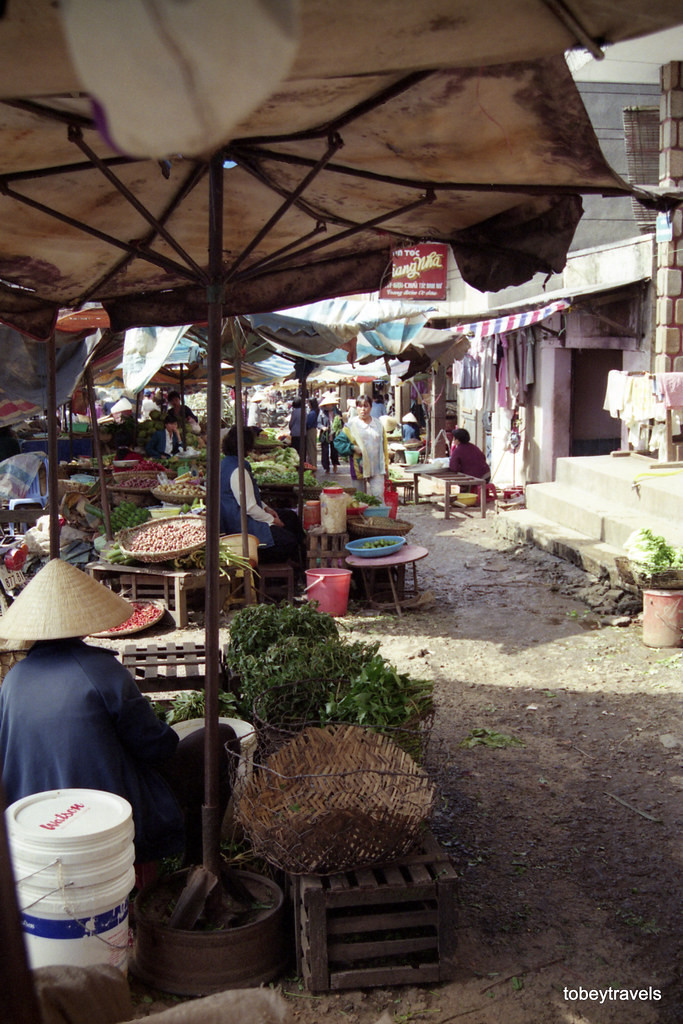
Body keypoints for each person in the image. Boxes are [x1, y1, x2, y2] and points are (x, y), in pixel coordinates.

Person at [0, 558, 237, 867]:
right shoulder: (101, 671)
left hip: (31, 817)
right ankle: (196, 862)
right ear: (83, 619)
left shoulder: (14, 678)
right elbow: (156, 747)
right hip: (100, 814)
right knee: (220, 737)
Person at [220, 426, 303, 564]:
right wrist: (271, 520)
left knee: (291, 517)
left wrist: (267, 509)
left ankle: (297, 560)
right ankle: (275, 571)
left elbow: (249, 497)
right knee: (289, 541)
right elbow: (250, 507)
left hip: (240, 516)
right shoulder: (237, 471)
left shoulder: (226, 463)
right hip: (240, 525)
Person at [334, 394, 389, 499]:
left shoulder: (378, 425)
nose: (363, 409)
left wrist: (386, 466)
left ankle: (378, 515)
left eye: (366, 406)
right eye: (360, 406)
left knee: (379, 497)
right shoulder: (351, 425)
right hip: (359, 467)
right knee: (360, 498)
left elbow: (384, 447)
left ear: (371, 407)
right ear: (356, 408)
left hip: (377, 466)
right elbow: (338, 443)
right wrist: (352, 448)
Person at [318, 392, 340, 475]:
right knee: (325, 452)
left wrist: (340, 421)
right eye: (328, 405)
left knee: (334, 451)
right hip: (325, 435)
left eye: (330, 405)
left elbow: (341, 423)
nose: (329, 406)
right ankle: (326, 468)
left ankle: (335, 464)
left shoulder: (337, 412)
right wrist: (323, 427)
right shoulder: (322, 413)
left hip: (334, 435)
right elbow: (318, 423)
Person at [306, 397, 319, 469]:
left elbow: (308, 423)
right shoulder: (314, 411)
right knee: (312, 447)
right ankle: (313, 464)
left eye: (309, 403)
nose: (308, 404)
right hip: (313, 430)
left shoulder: (312, 413)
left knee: (311, 448)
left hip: (311, 430)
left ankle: (313, 464)